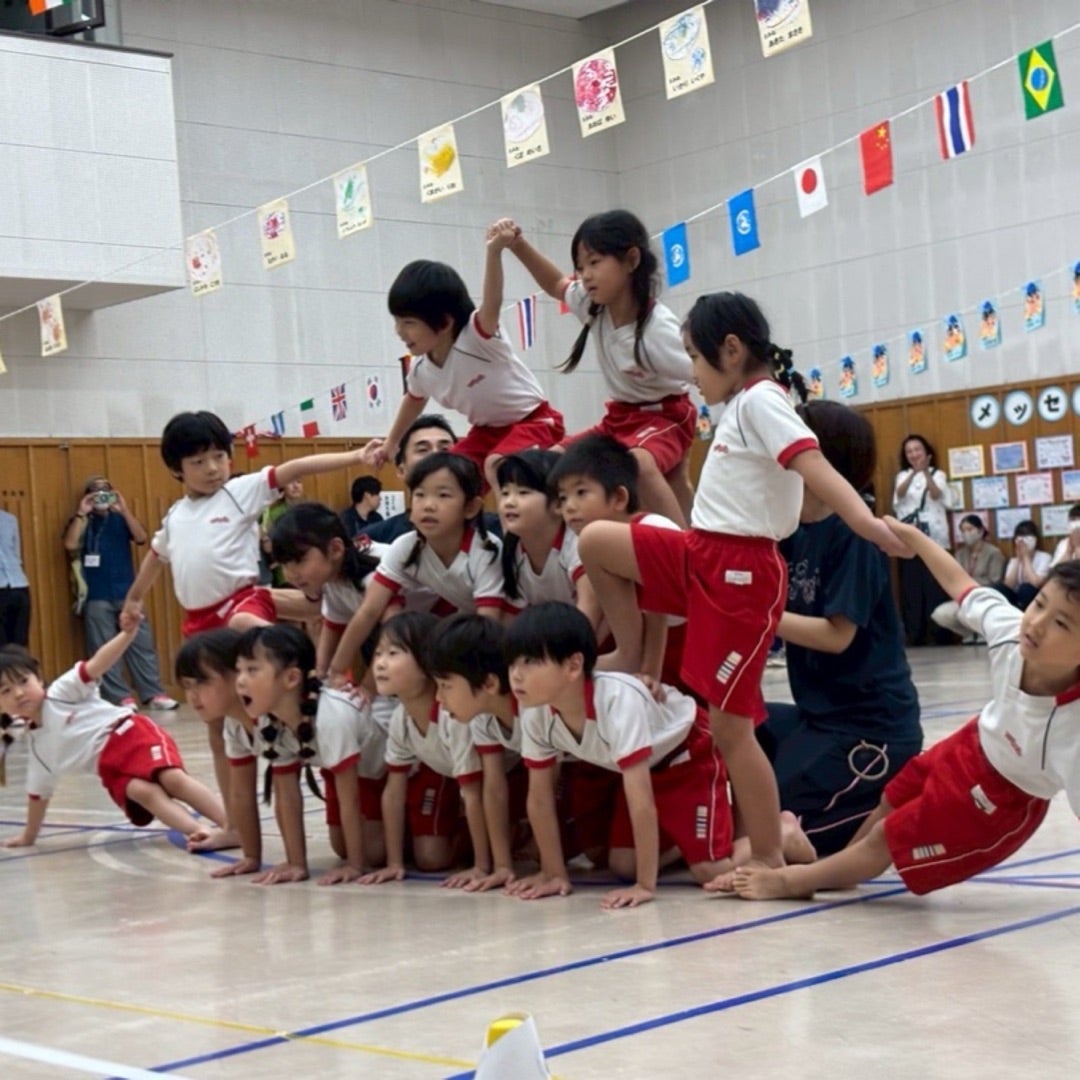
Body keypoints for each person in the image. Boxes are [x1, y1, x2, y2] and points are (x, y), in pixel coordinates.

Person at [577, 291, 907, 876]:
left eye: (695, 361)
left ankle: (772, 856)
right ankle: (631, 651)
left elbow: (814, 464)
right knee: (597, 542)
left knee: (732, 728)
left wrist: (865, 523)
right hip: (701, 552)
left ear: (730, 350)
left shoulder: (762, 402)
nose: (691, 376)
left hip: (740, 571)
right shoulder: (738, 409)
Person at [733, 520, 1080, 902]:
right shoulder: (1011, 632)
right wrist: (911, 537)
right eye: (1039, 604)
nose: (1037, 623)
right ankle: (837, 871)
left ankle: (793, 881)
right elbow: (958, 581)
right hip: (968, 746)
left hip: (1004, 799)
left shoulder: (1073, 731)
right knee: (891, 799)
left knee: (888, 837)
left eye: (1061, 623)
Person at [757, 401, 923, 857]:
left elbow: (837, 636)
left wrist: (757, 613)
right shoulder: (791, 528)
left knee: (767, 817)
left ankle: (827, 829)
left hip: (869, 731)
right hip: (817, 717)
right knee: (733, 735)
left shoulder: (855, 533)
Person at [504, 603, 738, 909]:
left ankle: (778, 835)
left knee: (709, 871)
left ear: (574, 666)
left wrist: (645, 886)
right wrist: (553, 872)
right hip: (648, 767)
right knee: (623, 864)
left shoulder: (618, 699)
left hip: (688, 754)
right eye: (512, 664)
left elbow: (641, 803)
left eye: (531, 661)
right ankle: (695, 839)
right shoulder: (534, 709)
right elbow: (538, 798)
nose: (516, 676)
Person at [505, 209, 697, 525]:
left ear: (632, 260)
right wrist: (518, 244)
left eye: (594, 263)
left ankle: (682, 555)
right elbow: (555, 283)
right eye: (580, 267)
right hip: (619, 419)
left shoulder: (658, 330)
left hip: (666, 417)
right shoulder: (593, 305)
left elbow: (702, 371)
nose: (586, 275)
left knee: (638, 463)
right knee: (551, 458)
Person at [123, 410, 369, 638]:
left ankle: (295, 656)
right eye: (198, 462)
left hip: (241, 603)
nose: (212, 468)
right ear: (177, 469)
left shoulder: (238, 492)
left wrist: (356, 456)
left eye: (218, 457)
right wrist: (134, 598)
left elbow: (296, 467)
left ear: (229, 455)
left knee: (244, 623)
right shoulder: (175, 516)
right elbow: (156, 557)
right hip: (199, 621)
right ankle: (326, 610)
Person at [0, 614, 227, 848]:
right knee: (142, 792)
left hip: (130, 735)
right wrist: (28, 836)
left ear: (38, 678)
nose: (18, 693)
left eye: (23, 682)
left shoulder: (62, 692)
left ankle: (231, 825)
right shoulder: (39, 750)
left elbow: (97, 664)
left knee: (171, 779)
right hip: (109, 768)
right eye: (5, 691)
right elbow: (38, 796)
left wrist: (127, 634)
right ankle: (198, 830)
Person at [360, 235, 565, 492]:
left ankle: (516, 529)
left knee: (497, 464)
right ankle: (466, 530)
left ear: (444, 323)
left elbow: (493, 301)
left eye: (408, 323)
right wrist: (391, 443)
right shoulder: (422, 371)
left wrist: (494, 252)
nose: (399, 331)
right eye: (397, 321)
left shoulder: (478, 338)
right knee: (447, 477)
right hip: (487, 432)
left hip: (535, 421)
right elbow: (414, 399)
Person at [327, 453, 505, 686]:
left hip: (504, 632)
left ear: (471, 507)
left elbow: (488, 626)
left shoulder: (486, 549)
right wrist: (336, 671)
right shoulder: (406, 546)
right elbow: (368, 612)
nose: (428, 505)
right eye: (420, 495)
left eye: (443, 495)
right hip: (468, 625)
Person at [235, 624, 389, 885]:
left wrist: (355, 865)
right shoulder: (269, 720)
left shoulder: (332, 717)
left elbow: (350, 800)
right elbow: (288, 795)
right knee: (342, 845)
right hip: (346, 776)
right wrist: (297, 863)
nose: (240, 680)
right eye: (238, 670)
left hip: (389, 779)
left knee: (378, 854)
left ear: (291, 679)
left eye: (252, 670)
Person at [356, 613, 490, 886]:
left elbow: (476, 793)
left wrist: (482, 866)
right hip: (455, 780)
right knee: (401, 853)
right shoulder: (400, 719)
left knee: (432, 858)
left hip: (498, 783)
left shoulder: (453, 717)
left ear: (427, 662)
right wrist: (394, 863)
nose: (380, 664)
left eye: (393, 653)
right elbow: (394, 791)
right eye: (378, 653)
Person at [426, 614, 525, 892]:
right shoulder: (483, 714)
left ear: (489, 683)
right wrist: (500, 867)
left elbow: (546, 788)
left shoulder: (535, 709)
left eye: (445, 686)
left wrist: (552, 872)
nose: (438, 698)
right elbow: (493, 789)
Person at [62, 476, 178, 710]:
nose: (101, 496)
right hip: (96, 593)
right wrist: (81, 513)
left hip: (127, 592)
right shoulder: (82, 521)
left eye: (106, 490)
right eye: (95, 492)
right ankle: (119, 697)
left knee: (142, 643)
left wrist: (124, 510)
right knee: (104, 646)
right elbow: (71, 545)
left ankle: (154, 693)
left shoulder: (119, 519)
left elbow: (142, 537)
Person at [175, 629, 265, 876]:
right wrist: (251, 857)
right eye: (187, 686)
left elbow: (288, 793)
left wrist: (296, 862)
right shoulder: (235, 726)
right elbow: (241, 793)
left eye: (202, 682)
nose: (193, 697)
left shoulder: (274, 717)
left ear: (238, 673)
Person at [269, 502, 382, 677]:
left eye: (299, 561)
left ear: (335, 549)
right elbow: (332, 627)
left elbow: (398, 645)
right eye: (284, 564)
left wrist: (366, 687)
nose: (291, 574)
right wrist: (322, 676)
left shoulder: (376, 578)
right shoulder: (332, 582)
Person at [496, 450, 581, 615]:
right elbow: (511, 620)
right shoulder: (511, 551)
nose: (509, 502)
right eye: (505, 493)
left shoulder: (578, 545)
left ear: (558, 503)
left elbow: (593, 613)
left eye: (523, 492)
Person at [892, 433, 955, 645]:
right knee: (912, 588)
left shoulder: (939, 474)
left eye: (917, 450)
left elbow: (937, 495)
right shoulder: (902, 476)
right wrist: (913, 474)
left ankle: (939, 634)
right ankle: (915, 635)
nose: (914, 454)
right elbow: (899, 496)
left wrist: (926, 472)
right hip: (909, 540)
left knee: (935, 586)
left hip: (935, 538)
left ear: (926, 452)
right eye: (909, 451)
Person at [931, 514, 1005, 642]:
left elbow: (995, 580)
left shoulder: (993, 553)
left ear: (980, 531)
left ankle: (984, 633)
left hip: (984, 597)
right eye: (963, 530)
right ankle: (969, 634)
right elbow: (954, 577)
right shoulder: (960, 553)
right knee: (939, 614)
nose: (966, 534)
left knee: (966, 613)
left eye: (970, 529)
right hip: (963, 597)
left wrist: (971, 584)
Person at [259, 477, 306, 587]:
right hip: (284, 571)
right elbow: (270, 546)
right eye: (290, 483)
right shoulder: (275, 513)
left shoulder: (308, 509)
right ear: (282, 488)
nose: (296, 486)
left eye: (299, 481)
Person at [996, 519, 1051, 611]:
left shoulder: (1044, 557)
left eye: (1027, 536)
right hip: (1017, 598)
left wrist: (1026, 557)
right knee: (1000, 588)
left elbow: (1036, 583)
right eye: (1020, 536)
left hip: (1036, 596)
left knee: (1026, 589)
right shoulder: (1014, 560)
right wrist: (1019, 559)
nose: (1023, 541)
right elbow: (1008, 585)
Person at [0, 508, 30, 648]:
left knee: (19, 642)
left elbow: (16, 554)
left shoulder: (9, 519)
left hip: (18, 584)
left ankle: (19, 670)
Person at [341, 475, 383, 541]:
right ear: (367, 495)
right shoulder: (346, 519)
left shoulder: (377, 518)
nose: (380, 498)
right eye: (377, 494)